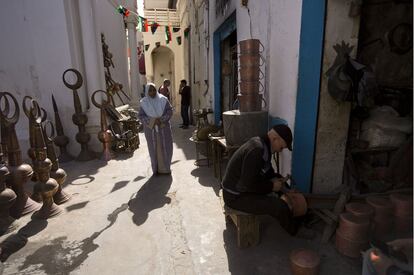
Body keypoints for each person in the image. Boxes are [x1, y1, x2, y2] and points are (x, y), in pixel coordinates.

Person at [221, 124, 305, 235]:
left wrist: (281, 184)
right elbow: (248, 185)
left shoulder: (262, 145)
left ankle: (290, 200)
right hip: (235, 197)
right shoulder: (257, 150)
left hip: (241, 188)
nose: (280, 151)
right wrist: (271, 186)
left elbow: (266, 170)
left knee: (278, 178)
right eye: (281, 147)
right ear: (275, 139)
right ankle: (295, 231)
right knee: (278, 206)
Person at [138, 83, 173, 175]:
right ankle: (156, 169)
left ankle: (166, 168)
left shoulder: (163, 100)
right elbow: (141, 116)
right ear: (146, 91)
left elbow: (170, 111)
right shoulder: (144, 102)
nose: (152, 92)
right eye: (150, 90)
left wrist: (161, 119)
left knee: (166, 147)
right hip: (151, 130)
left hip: (164, 129)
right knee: (154, 149)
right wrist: (152, 121)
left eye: (154, 90)